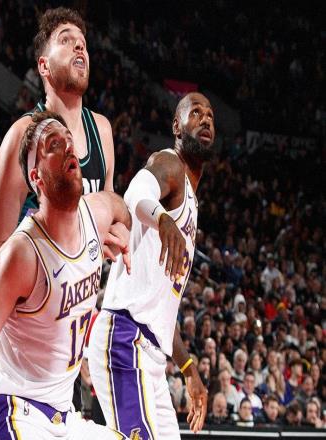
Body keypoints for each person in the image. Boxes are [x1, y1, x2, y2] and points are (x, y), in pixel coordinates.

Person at [0, 112, 131, 439]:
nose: (68, 148)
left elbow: (119, 206)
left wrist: (123, 228)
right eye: (54, 145)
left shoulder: (96, 213)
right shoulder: (21, 255)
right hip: (15, 411)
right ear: (36, 177)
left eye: (69, 141)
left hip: (63, 416)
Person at [88, 92, 215, 439]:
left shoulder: (191, 202)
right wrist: (161, 218)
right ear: (177, 126)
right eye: (196, 113)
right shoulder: (170, 164)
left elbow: (160, 310)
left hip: (151, 356)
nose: (205, 119)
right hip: (125, 339)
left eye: (210, 115)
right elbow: (134, 194)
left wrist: (188, 368)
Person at [0, 7, 116, 284]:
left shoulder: (102, 130)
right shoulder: (23, 134)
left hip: (80, 298)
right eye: (65, 40)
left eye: (82, 43)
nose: (79, 46)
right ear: (44, 66)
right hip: (35, 299)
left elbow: (109, 216)